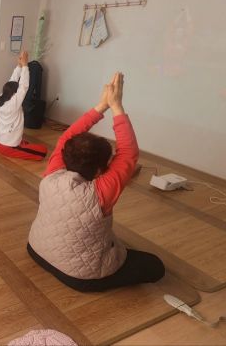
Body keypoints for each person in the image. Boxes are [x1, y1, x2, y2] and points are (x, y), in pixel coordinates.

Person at [27, 72, 165, 292]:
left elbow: (66, 137)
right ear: (100, 170)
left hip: (36, 250)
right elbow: (128, 153)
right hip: (80, 277)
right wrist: (117, 106)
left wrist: (102, 106)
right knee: (155, 266)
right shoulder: (100, 193)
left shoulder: (52, 173)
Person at [0, 51, 47, 160]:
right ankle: (18, 146)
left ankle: (19, 144)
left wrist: (19, 66)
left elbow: (12, 81)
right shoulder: (14, 102)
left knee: (26, 144)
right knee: (43, 152)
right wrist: (25, 65)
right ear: (14, 93)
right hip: (8, 147)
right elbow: (24, 85)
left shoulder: (1, 97)